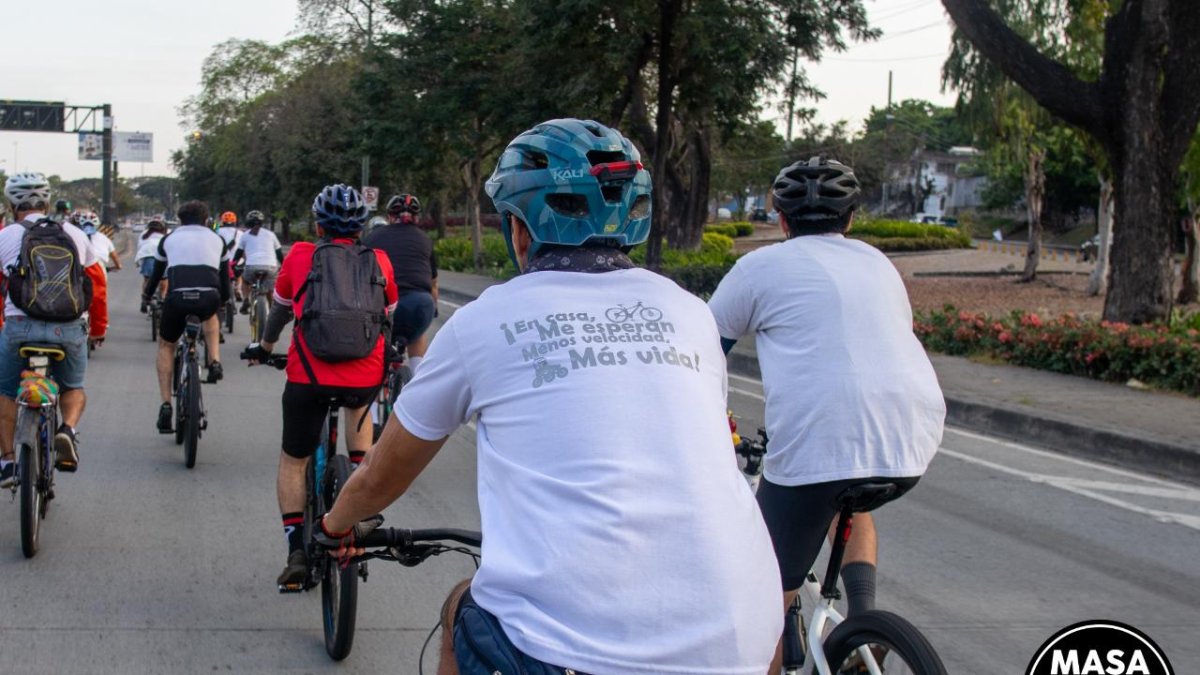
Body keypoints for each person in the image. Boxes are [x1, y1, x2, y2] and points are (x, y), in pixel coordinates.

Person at [315, 119, 782, 674]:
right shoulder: (689, 312)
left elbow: (383, 475)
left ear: (520, 230)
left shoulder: (484, 321)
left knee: (460, 607)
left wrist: (334, 527)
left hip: (569, 651)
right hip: (744, 639)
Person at [707, 156, 944, 670]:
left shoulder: (758, 267)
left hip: (820, 442)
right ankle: (865, 629)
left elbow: (702, 355)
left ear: (780, 218)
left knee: (765, 595)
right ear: (851, 219)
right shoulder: (878, 263)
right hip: (911, 438)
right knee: (850, 503)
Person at [242, 184, 397, 591]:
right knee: (361, 439)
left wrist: (264, 348)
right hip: (365, 376)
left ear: (317, 225)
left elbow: (278, 312)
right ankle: (359, 511)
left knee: (294, 460)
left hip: (308, 376)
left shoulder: (299, 256)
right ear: (362, 226)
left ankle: (295, 550)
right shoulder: (379, 260)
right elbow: (389, 316)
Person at [0, 173, 108, 486]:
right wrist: (98, 328)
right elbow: (96, 286)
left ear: (11, 205)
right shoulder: (74, 233)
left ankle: (7, 462)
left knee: (5, 392)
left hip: (19, 328)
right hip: (68, 329)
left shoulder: (5, 236)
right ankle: (67, 430)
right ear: (47, 203)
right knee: (73, 387)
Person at [142, 200, 231, 433]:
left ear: (180, 220)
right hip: (208, 297)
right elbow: (225, 280)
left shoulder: (168, 239)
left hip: (178, 299)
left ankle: (165, 405)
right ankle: (214, 361)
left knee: (167, 345)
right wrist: (224, 300)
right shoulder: (218, 240)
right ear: (206, 219)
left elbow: (156, 276)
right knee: (211, 316)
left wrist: (146, 296)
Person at [362, 193, 438, 370]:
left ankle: (373, 396)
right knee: (416, 334)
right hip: (421, 303)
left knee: (376, 342)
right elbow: (434, 283)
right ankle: (417, 377)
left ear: (389, 217)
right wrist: (434, 308)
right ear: (416, 218)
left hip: (385, 305)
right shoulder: (425, 240)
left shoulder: (373, 238)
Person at [232, 210, 282, 313]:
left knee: (245, 281)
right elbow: (279, 254)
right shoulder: (271, 234)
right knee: (269, 288)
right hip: (271, 267)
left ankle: (246, 299)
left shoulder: (245, 235)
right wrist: (283, 265)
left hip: (251, 266)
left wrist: (233, 264)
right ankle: (272, 309)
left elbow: (238, 253)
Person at [136, 219, 169, 303]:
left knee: (147, 280)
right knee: (164, 280)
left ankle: (144, 298)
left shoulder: (143, 236)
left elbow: (140, 248)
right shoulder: (166, 236)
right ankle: (163, 297)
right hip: (162, 259)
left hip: (148, 258)